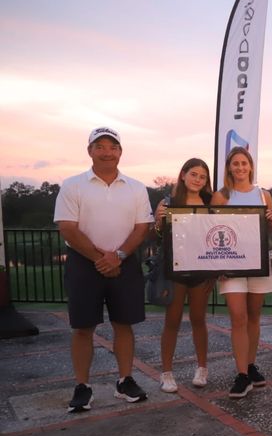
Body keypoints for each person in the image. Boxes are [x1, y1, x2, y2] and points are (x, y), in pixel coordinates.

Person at [54, 127, 153, 412]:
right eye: (100, 146)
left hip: (124, 263)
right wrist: (102, 258)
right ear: (90, 151)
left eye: (113, 146)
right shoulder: (73, 185)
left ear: (120, 152)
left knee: (124, 324)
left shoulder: (136, 187)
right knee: (83, 327)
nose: (107, 152)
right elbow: (68, 228)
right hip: (84, 265)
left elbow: (142, 227)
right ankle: (83, 386)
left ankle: (125, 381)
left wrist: (118, 256)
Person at [210, 147, 272, 398]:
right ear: (229, 167)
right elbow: (213, 230)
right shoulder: (221, 196)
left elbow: (270, 230)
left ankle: (250, 366)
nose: (240, 168)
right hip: (231, 265)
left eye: (244, 163)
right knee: (237, 317)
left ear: (251, 166)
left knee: (253, 316)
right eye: (235, 164)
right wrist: (217, 264)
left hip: (259, 262)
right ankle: (241, 374)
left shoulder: (264, 195)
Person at [153, 158, 215, 393]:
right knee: (173, 321)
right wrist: (158, 222)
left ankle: (202, 367)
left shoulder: (210, 202)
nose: (198, 180)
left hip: (201, 270)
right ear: (183, 175)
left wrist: (215, 270)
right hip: (176, 269)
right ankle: (166, 372)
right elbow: (157, 238)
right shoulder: (168, 202)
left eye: (202, 176)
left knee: (199, 320)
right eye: (194, 174)